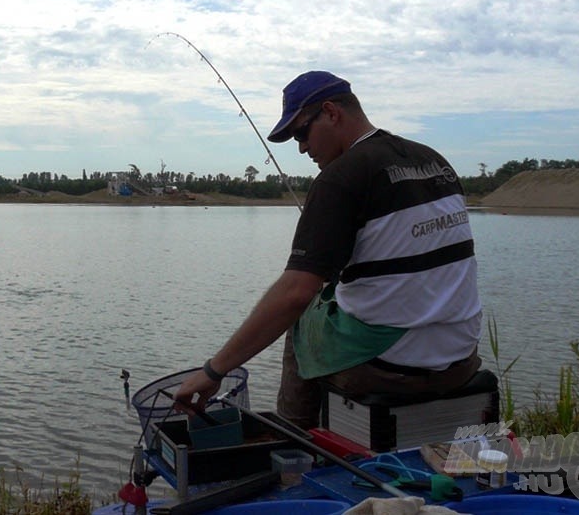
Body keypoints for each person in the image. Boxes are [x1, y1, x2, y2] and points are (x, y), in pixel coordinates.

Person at [174, 71, 483, 429]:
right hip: (462, 353)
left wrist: (214, 370)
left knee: (301, 317)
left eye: (302, 133)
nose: (302, 148)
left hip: (396, 368)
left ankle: (295, 439)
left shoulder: (341, 177)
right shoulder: (434, 161)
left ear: (331, 112)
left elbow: (295, 293)